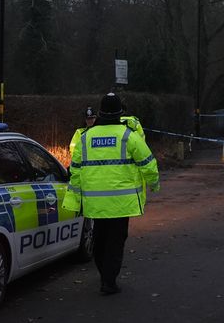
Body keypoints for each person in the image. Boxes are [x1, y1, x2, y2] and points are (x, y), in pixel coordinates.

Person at [62, 92, 160, 295]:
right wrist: (154, 184)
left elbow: (75, 169)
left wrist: (75, 198)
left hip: (95, 203)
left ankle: (104, 275)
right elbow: (148, 163)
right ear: (120, 113)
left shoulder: (85, 137)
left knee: (99, 239)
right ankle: (109, 280)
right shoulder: (128, 136)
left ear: (100, 113)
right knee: (116, 241)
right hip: (121, 202)